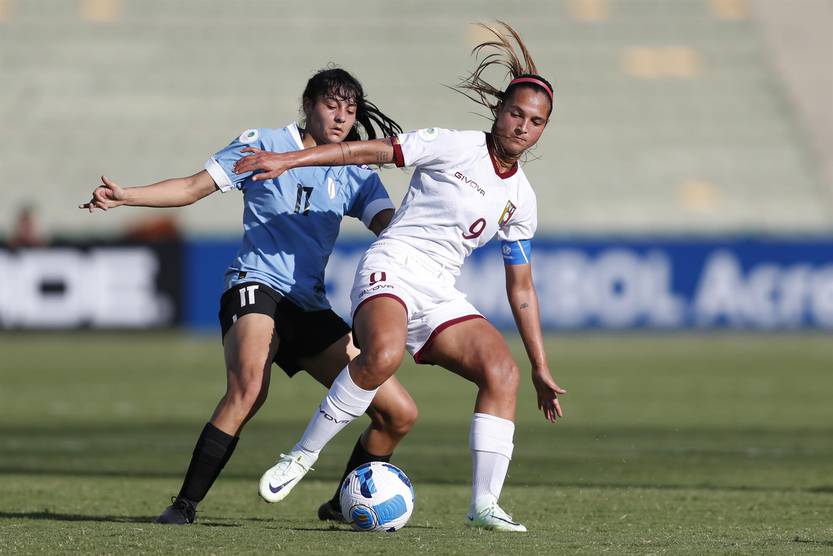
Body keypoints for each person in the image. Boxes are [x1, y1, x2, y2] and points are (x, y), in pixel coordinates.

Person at [234, 23, 565, 532]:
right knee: (383, 356)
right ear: (499, 111)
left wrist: (541, 365)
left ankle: (483, 504)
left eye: (535, 121)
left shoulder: (522, 200)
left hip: (439, 289)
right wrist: (291, 158)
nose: (523, 126)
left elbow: (521, 288)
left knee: (503, 373)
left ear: (543, 130)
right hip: (390, 264)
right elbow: (364, 152)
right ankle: (301, 456)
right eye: (516, 113)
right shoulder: (453, 146)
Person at [79, 68, 418, 525]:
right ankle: (183, 506)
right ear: (308, 104)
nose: (341, 117)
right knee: (249, 388)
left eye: (350, 109)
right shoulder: (264, 144)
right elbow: (192, 187)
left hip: (309, 306)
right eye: (331, 105)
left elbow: (390, 228)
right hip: (255, 286)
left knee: (398, 413)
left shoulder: (353, 170)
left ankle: (344, 503)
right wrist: (126, 196)